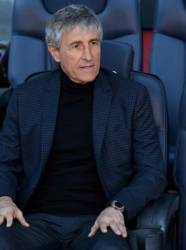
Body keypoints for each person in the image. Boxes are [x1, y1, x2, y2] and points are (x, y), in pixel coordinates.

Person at [0, 4, 166, 250]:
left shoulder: (131, 97)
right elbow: (6, 161)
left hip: (99, 221)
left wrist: (117, 207)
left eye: (94, 43)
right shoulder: (26, 96)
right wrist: (4, 199)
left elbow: (152, 172)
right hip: (34, 221)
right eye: (76, 46)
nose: (88, 56)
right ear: (55, 52)